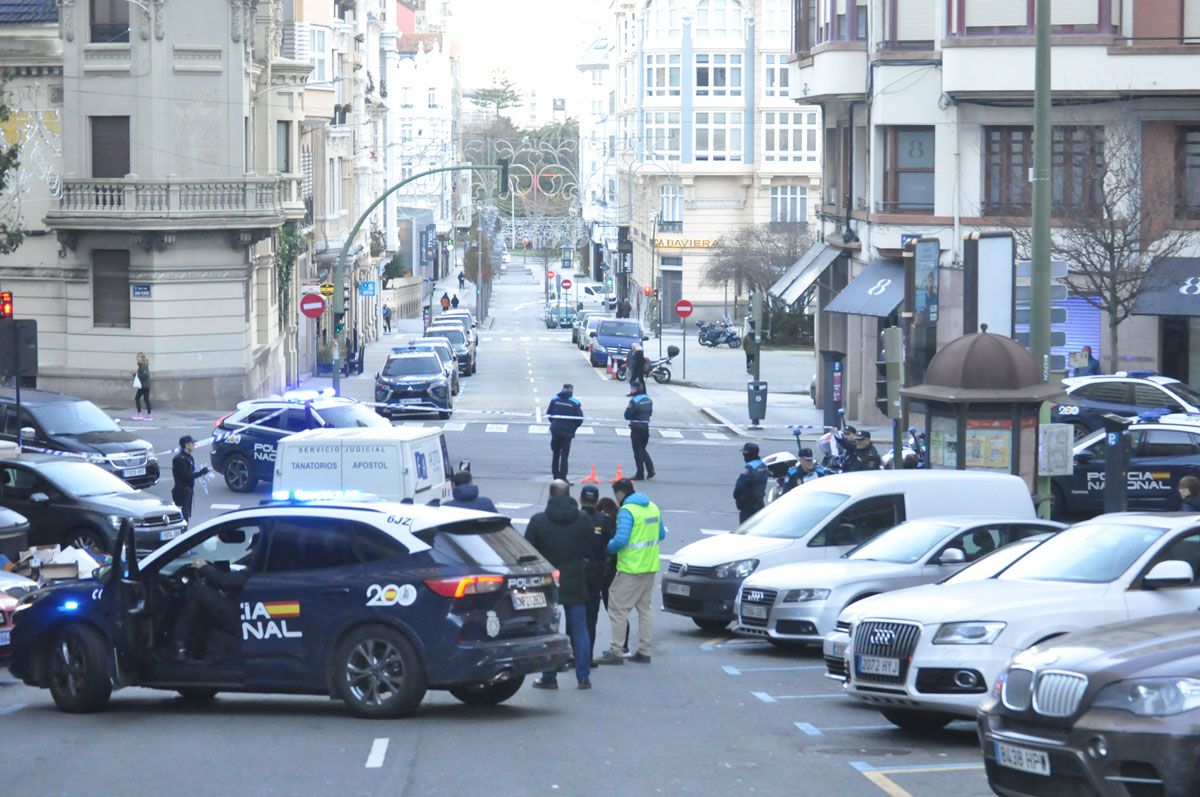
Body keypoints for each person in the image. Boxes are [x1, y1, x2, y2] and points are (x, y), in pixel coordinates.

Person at [525, 480, 595, 689]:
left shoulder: (538, 521)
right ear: (569, 494)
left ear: (550, 495)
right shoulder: (582, 519)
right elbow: (591, 548)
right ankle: (583, 676)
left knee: (548, 629)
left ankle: (549, 675)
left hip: (548, 581)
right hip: (575, 578)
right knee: (579, 629)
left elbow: (528, 553)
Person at [596, 478, 664, 665]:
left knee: (617, 608)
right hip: (650, 566)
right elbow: (661, 535)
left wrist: (605, 547)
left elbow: (620, 540)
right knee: (645, 610)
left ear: (619, 493)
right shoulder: (653, 507)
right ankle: (644, 650)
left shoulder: (627, 511)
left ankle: (616, 651)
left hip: (631, 568)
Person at [172, 556, 251, 660]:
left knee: (199, 590)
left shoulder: (260, 568)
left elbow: (223, 581)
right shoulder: (264, 564)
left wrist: (203, 566)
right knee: (206, 605)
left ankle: (179, 645)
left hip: (242, 617)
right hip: (244, 613)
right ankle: (193, 651)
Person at [579, 485, 615, 665]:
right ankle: (588, 656)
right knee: (591, 617)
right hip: (596, 573)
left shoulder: (574, 518)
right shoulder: (604, 519)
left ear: (581, 499)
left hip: (576, 573)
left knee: (575, 616)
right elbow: (611, 546)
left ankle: (577, 655)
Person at [595, 496, 628, 654]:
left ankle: (620, 646)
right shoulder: (617, 525)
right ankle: (624, 644)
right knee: (617, 611)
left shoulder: (603, 526)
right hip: (617, 573)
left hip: (607, 575)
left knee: (614, 611)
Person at [546, 384, 584, 481]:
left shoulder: (554, 400)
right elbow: (579, 419)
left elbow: (549, 414)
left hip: (555, 430)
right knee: (564, 456)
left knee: (555, 454)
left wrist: (555, 423)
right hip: (567, 432)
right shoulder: (575, 402)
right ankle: (563, 478)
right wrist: (573, 427)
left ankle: (555, 477)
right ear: (571, 391)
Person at [171, 436, 209, 523]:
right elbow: (187, 477)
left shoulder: (190, 458)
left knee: (186, 516)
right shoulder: (179, 459)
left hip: (188, 492)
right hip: (181, 492)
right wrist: (201, 473)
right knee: (183, 518)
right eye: (192, 443)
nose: (194, 445)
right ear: (187, 445)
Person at [624, 386, 655, 480]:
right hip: (646, 426)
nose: (631, 390)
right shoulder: (648, 399)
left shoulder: (634, 401)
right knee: (642, 449)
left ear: (636, 390)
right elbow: (650, 412)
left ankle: (640, 473)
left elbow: (627, 415)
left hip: (636, 427)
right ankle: (650, 470)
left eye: (632, 388)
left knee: (637, 451)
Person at [733, 442, 768, 523]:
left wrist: (736, 496)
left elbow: (739, 486)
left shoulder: (750, 467)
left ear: (746, 454)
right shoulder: (763, 465)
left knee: (745, 529)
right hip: (759, 502)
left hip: (748, 505)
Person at [133, 353, 153, 420]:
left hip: (144, 386)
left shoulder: (143, 366)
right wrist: (136, 375)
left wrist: (137, 375)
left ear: (142, 358)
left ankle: (140, 414)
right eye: (137, 357)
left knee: (138, 398)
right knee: (145, 399)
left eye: (138, 357)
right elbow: (142, 374)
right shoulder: (142, 365)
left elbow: (146, 376)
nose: (137, 358)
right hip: (144, 385)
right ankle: (149, 415)